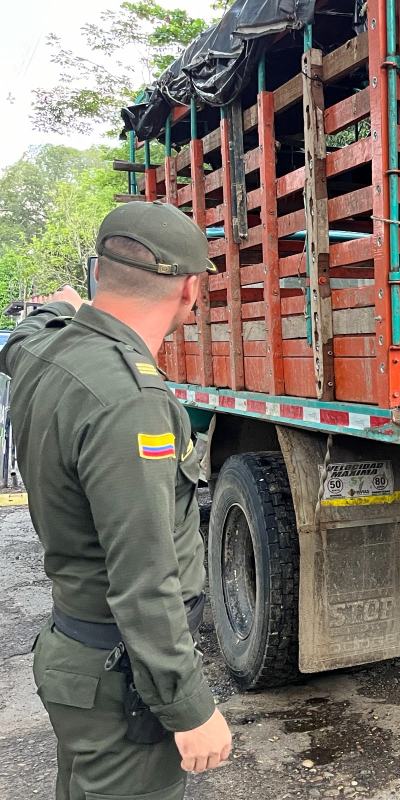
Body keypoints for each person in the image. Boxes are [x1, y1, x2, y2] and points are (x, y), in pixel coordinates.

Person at [1, 201, 232, 800]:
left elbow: (24, 332)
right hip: (117, 677)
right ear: (189, 289)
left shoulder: (42, 353)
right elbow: (144, 577)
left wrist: (59, 307)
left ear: (98, 272)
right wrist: (189, 707)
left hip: (76, 654)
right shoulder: (131, 401)